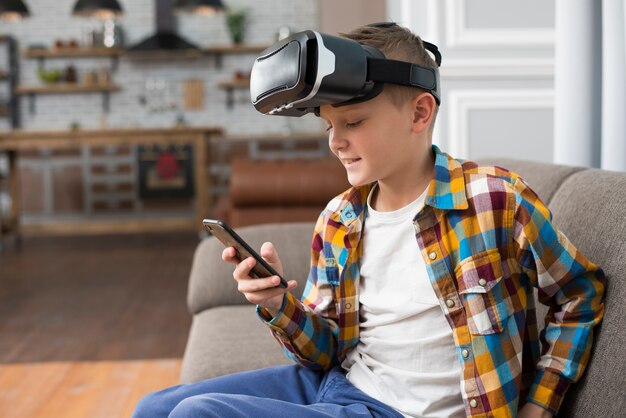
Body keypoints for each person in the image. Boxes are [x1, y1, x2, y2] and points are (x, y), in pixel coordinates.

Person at [133, 23, 605, 418]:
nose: (336, 141)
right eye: (328, 126)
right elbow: (324, 351)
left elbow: (580, 294)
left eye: (353, 123)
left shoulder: (495, 200)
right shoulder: (339, 219)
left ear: (420, 113)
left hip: (394, 411)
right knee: (153, 409)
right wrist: (280, 302)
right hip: (340, 384)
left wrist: (540, 405)